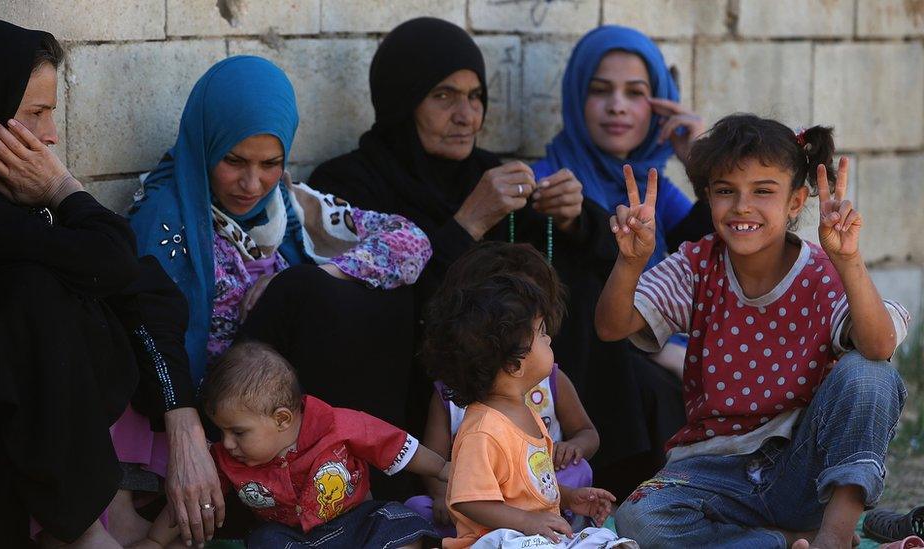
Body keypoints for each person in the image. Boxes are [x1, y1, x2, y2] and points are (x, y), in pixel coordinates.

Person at [122, 55, 432, 545]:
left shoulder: (287, 205)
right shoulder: (164, 219)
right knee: (306, 293)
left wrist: (325, 271)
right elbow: (155, 339)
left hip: (287, 410)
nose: (252, 184)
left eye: (271, 164)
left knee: (365, 290)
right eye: (234, 161)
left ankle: (363, 493)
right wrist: (295, 290)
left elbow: (411, 242)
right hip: (223, 418)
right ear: (205, 146)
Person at [307, 17, 620, 457]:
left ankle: (596, 467)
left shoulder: (487, 172)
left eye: (475, 97)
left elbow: (605, 256)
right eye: (443, 97)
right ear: (403, 103)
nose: (466, 116)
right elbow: (375, 307)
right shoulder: (349, 185)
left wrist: (574, 217)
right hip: (412, 392)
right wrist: (467, 224)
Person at [596, 114, 909, 548]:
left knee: (871, 373)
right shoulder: (696, 265)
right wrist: (631, 262)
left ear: (796, 202)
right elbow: (612, 327)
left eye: (763, 191)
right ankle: (781, 541)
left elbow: (879, 346)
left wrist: (849, 260)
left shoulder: (822, 272)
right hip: (712, 472)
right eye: (726, 191)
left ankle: (833, 537)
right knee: (638, 520)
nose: (743, 206)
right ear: (708, 198)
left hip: (802, 473)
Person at [0, 17, 189, 548]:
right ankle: (82, 533)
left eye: (50, 113)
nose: (51, 134)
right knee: (33, 292)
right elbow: (113, 260)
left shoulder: (2, 200)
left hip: (50, 440)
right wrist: (63, 187)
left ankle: (113, 513)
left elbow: (138, 280)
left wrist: (182, 412)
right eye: (34, 113)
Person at [533, 24, 716, 497]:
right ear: (576, 97)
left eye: (635, 93)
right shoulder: (551, 182)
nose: (617, 106)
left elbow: (723, 241)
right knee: (652, 384)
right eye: (600, 91)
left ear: (658, 105)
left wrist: (700, 162)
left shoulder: (650, 185)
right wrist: (663, 351)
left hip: (655, 347)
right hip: (588, 366)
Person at [136, 341, 449, 548]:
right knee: (263, 540)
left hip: (356, 523)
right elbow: (194, 499)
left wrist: (443, 468)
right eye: (221, 432)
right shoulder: (226, 460)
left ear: (282, 419)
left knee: (399, 520)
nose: (227, 443)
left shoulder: (338, 425)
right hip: (291, 539)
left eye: (238, 432)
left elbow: (394, 446)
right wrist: (154, 541)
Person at [423, 247, 635, 549]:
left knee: (611, 542)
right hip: (499, 539)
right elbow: (469, 500)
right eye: (541, 333)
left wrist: (569, 498)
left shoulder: (525, 412)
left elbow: (531, 486)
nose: (549, 339)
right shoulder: (483, 428)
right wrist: (528, 522)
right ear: (515, 364)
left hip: (536, 536)